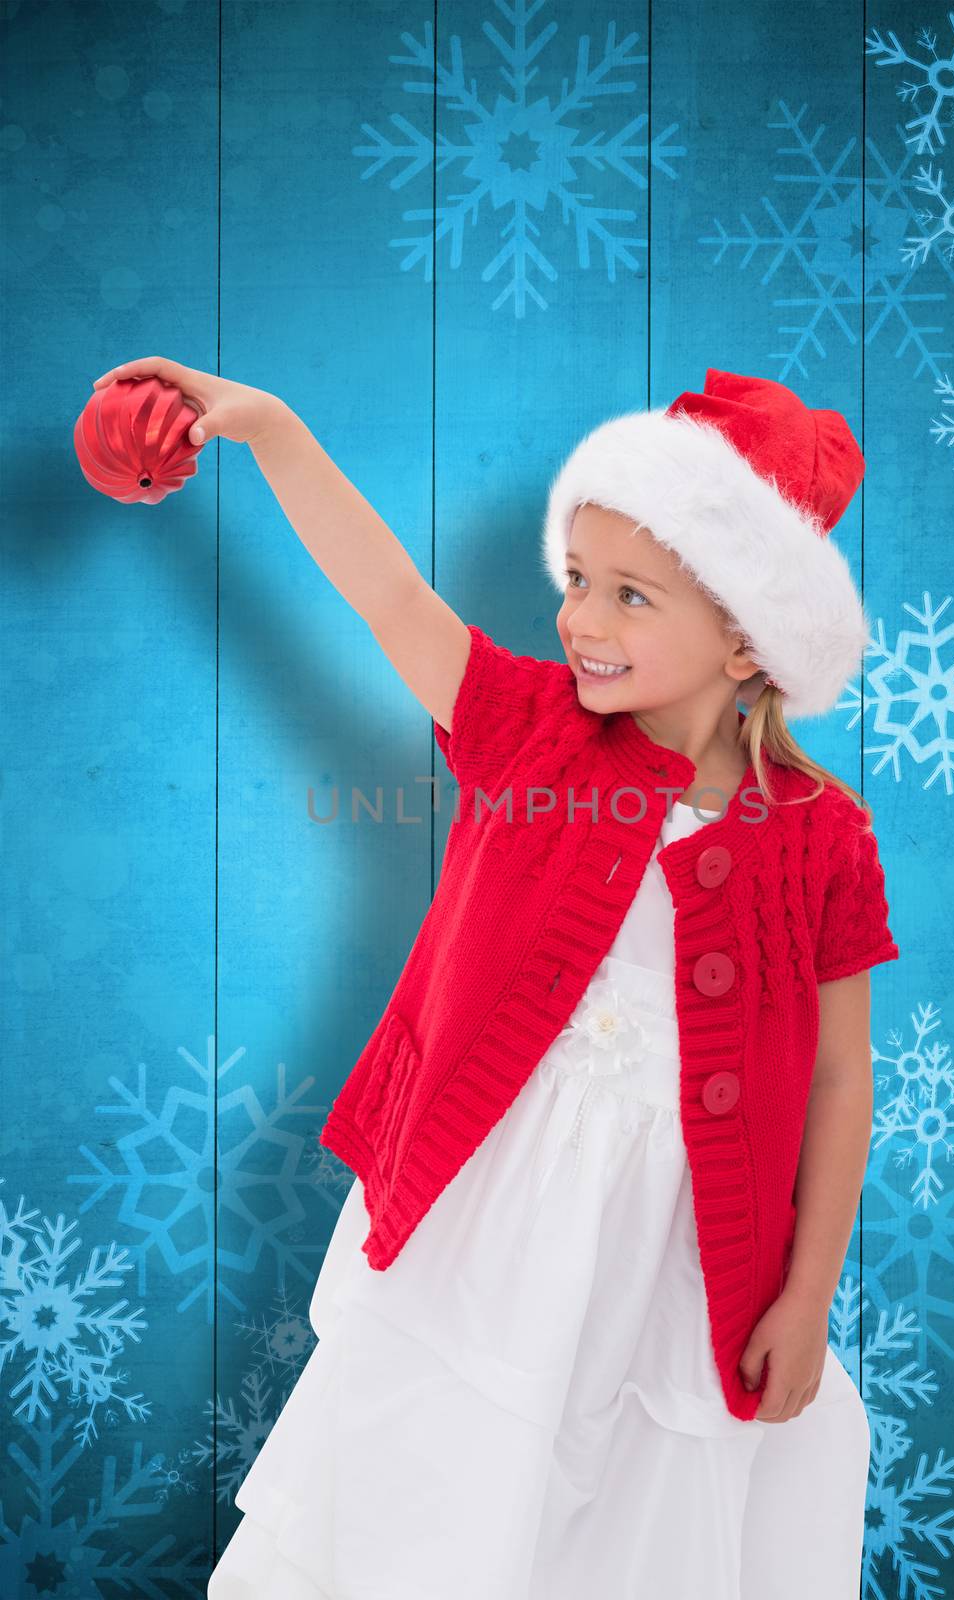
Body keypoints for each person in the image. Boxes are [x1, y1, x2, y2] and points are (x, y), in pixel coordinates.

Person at [90, 358, 900, 1599]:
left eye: (631, 596)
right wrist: (275, 425)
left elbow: (842, 1076)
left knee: (626, 1520)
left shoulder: (822, 835)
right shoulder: (527, 728)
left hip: (683, 1251)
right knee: (441, 1491)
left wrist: (807, 1289)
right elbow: (385, 594)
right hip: (490, 1211)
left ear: (748, 638)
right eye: (577, 580)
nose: (581, 619)